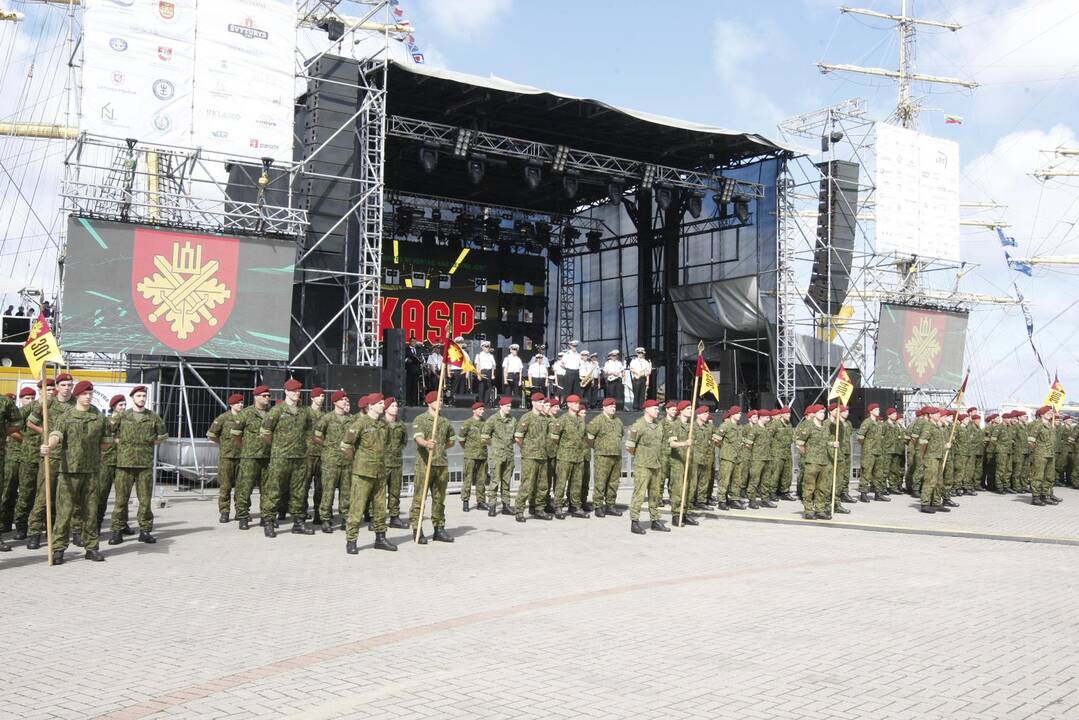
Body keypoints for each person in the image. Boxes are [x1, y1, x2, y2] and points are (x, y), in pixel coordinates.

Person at [42, 380, 108, 564]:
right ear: (77, 395)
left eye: (90, 393)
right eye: (85, 394)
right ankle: (58, 549)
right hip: (69, 471)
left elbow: (105, 441)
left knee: (91, 511)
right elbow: (57, 434)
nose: (88, 397)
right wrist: (49, 445)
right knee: (64, 511)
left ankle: (92, 547)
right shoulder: (66, 415)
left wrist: (91, 452)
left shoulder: (98, 416)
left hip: (92, 472)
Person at [109, 385, 168, 545]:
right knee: (121, 500)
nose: (142, 398)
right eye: (138, 396)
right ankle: (116, 531)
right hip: (124, 464)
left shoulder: (153, 417)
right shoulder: (122, 416)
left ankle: (145, 531)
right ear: (132, 398)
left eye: (143, 396)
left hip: (144, 465)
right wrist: (117, 441)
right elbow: (109, 432)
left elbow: (163, 435)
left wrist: (151, 443)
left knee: (145, 500)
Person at [25, 374, 76, 550]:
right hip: (51, 457)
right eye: (63, 384)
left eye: (70, 384)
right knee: (42, 496)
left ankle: (61, 532)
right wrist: (46, 434)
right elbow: (30, 422)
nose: (67, 387)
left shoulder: (77, 404)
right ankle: (34, 533)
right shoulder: (49, 403)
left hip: (71, 457)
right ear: (57, 386)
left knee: (67, 497)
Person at [341, 394, 396, 553]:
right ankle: (351, 540)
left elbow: (385, 445)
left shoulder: (383, 425)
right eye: (379, 403)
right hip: (362, 473)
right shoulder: (359, 423)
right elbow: (345, 445)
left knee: (380, 508)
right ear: (370, 406)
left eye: (382, 403)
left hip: (379, 472)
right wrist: (356, 461)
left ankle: (380, 538)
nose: (382, 405)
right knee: (357, 508)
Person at [260, 379, 314, 537]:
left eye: (298, 391)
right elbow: (265, 433)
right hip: (281, 457)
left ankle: (298, 522)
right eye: (293, 391)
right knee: (274, 490)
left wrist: (306, 449)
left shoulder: (304, 411)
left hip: (299, 458)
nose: (296, 393)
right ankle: (269, 521)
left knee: (299, 492)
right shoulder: (277, 410)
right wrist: (277, 447)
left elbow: (309, 432)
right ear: (286, 392)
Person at [410, 390, 456, 543]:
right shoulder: (421, 419)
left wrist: (440, 448)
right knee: (419, 498)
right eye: (437, 400)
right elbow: (418, 439)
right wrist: (426, 444)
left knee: (439, 499)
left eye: (441, 400)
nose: (440, 402)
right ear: (429, 403)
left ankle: (439, 529)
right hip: (425, 464)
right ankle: (417, 529)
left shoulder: (444, 421)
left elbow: (452, 440)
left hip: (441, 464)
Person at [625, 399, 668, 534]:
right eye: (655, 409)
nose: (657, 411)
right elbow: (630, 446)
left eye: (657, 409)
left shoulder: (658, 425)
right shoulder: (639, 425)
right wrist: (641, 455)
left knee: (655, 494)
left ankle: (655, 520)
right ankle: (635, 522)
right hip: (643, 464)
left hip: (656, 464)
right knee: (639, 493)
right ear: (647, 409)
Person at [232, 385, 271, 531]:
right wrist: (244, 448)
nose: (267, 398)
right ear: (256, 397)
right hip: (250, 457)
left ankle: (266, 516)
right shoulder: (246, 413)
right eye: (264, 395)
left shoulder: (272, 413)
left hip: (267, 457)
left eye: (268, 396)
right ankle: (243, 516)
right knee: (245, 488)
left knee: (267, 490)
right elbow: (236, 434)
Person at [13, 381, 48, 541]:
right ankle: (21, 526)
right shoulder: (28, 408)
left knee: (43, 494)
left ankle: (42, 526)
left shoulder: (54, 407)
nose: (50, 391)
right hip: (29, 456)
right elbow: (12, 428)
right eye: (46, 389)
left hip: (47, 457)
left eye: (52, 388)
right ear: (40, 390)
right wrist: (25, 439)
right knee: (26, 492)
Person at [313, 390, 352, 532]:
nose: (344, 402)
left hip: (346, 461)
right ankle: (325, 518)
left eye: (346, 400)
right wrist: (327, 445)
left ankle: (345, 517)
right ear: (335, 402)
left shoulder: (351, 419)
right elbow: (316, 436)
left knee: (346, 492)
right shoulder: (327, 418)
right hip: (330, 460)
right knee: (328, 491)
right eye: (342, 400)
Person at [207, 393, 244, 523]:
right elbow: (212, 434)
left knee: (241, 487)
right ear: (231, 405)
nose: (241, 405)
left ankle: (240, 511)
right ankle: (224, 512)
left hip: (242, 456)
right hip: (227, 456)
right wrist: (223, 443)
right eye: (238, 403)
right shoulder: (223, 418)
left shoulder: (245, 417)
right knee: (225, 486)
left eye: (242, 402)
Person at [513, 392, 550, 521]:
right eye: (539, 402)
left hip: (543, 455)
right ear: (533, 403)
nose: (541, 404)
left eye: (542, 402)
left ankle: (539, 509)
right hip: (530, 456)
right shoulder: (526, 417)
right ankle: (519, 510)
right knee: (527, 483)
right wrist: (527, 448)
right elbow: (518, 437)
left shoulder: (545, 419)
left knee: (542, 484)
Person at [550, 394, 588, 519]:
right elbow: (555, 438)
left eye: (578, 403)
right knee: (561, 482)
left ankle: (575, 506)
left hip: (578, 456)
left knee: (577, 482)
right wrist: (564, 448)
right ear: (569, 404)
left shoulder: (581, 420)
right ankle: (558, 506)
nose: (577, 405)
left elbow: (583, 437)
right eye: (575, 403)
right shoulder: (562, 420)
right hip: (565, 456)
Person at [586, 397, 624, 517]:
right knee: (601, 482)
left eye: (614, 406)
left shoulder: (618, 421)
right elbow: (589, 438)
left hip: (616, 455)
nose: (613, 408)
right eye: (610, 406)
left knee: (613, 482)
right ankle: (598, 505)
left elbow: (621, 435)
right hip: (602, 456)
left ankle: (610, 505)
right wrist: (598, 447)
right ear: (604, 407)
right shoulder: (598, 420)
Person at [795, 404, 834, 519]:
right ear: (815, 414)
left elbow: (825, 442)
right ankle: (808, 510)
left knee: (822, 487)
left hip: (824, 461)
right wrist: (806, 454)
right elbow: (799, 442)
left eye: (823, 412)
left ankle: (820, 509)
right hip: (812, 462)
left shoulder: (825, 427)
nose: (823, 415)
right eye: (820, 412)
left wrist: (832, 444)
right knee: (809, 487)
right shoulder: (808, 426)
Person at [667, 401, 698, 526]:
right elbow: (671, 443)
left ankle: (685, 513)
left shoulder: (691, 426)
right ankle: (676, 514)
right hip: (678, 461)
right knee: (678, 489)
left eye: (691, 408)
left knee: (689, 489)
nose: (691, 410)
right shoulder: (675, 425)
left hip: (689, 460)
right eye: (688, 408)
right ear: (681, 410)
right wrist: (685, 443)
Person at [383, 397, 410, 529]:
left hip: (396, 463)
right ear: (386, 408)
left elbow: (404, 441)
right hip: (381, 464)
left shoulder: (400, 425)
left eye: (396, 405)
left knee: (395, 491)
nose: (396, 408)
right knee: (379, 493)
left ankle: (394, 517)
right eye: (392, 406)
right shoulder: (380, 424)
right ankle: (376, 518)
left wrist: (397, 451)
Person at [458, 402, 489, 511]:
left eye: (483, 409)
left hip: (482, 455)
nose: (482, 411)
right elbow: (461, 440)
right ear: (474, 410)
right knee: (468, 479)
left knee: (481, 479)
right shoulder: (467, 423)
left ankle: (481, 501)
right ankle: (465, 501)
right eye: (480, 409)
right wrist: (468, 449)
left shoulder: (486, 423)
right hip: (470, 455)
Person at [1029, 405, 1059, 506]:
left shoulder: (1050, 425)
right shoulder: (1038, 424)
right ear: (1042, 414)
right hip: (1040, 454)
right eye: (1049, 412)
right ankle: (1036, 497)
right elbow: (1031, 441)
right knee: (1038, 475)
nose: (1051, 413)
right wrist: (1035, 453)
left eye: (1051, 412)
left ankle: (1045, 495)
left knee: (1049, 476)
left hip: (1050, 453)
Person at [856, 403, 887, 502]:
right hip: (869, 452)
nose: (878, 411)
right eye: (876, 409)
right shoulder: (867, 422)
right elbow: (860, 436)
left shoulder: (878, 423)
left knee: (879, 474)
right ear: (871, 411)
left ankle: (878, 494)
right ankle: (863, 493)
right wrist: (866, 446)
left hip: (878, 451)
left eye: (878, 409)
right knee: (866, 472)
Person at [713, 406, 741, 510]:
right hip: (727, 457)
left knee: (736, 480)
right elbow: (716, 439)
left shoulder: (739, 426)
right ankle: (722, 501)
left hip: (737, 457)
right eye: (738, 413)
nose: (740, 415)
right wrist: (724, 447)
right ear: (733, 414)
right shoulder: (725, 425)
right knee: (724, 480)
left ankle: (734, 499)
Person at [306, 387, 326, 524]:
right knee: (304, 486)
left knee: (320, 487)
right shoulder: (305, 413)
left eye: (323, 396)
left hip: (321, 455)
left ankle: (318, 513)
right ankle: (301, 512)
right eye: (318, 396)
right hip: (307, 454)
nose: (321, 398)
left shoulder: (325, 416)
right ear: (312, 397)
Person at [768, 408, 795, 501]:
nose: (789, 416)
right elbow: (768, 437)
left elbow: (792, 437)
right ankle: (772, 492)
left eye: (789, 414)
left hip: (787, 452)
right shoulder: (775, 424)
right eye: (787, 414)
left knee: (787, 473)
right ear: (782, 414)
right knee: (775, 473)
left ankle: (784, 492)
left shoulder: (789, 425)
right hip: (777, 452)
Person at [475, 341, 496, 406]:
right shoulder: (479, 355)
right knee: (481, 387)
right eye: (486, 347)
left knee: (488, 387)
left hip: (489, 371)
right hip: (482, 371)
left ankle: (486, 402)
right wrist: (478, 374)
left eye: (488, 347)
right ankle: (481, 402)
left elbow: (493, 366)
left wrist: (492, 374)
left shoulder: (491, 356)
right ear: (482, 347)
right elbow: (477, 365)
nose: (487, 348)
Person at [405, 338, 424, 406]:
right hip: (409, 370)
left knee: (415, 387)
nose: (414, 343)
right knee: (409, 386)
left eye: (415, 342)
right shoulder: (406, 349)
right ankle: (408, 402)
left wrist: (421, 360)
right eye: (412, 342)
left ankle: (414, 402)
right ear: (410, 342)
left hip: (416, 370)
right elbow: (404, 358)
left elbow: (421, 358)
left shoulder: (418, 349)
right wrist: (407, 360)